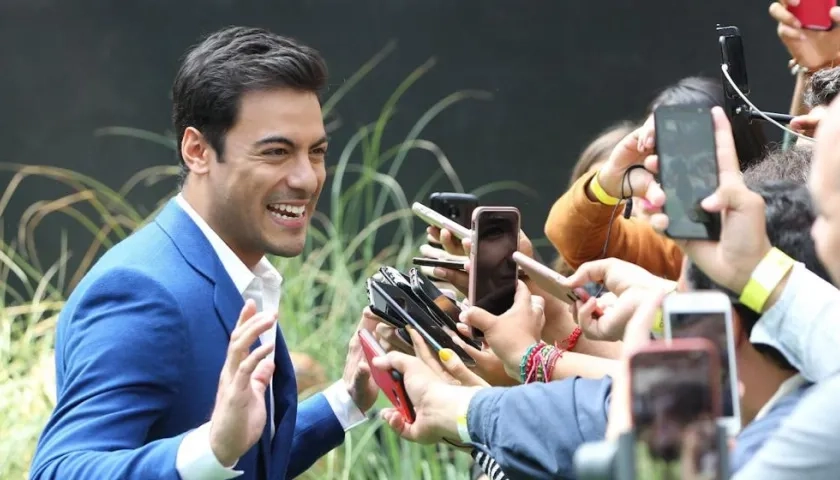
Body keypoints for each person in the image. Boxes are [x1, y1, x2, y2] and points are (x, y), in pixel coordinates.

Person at [29, 26, 377, 480]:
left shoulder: (230, 270)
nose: (307, 178)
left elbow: (248, 460)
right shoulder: (142, 292)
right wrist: (213, 446)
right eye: (276, 152)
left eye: (316, 152)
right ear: (197, 150)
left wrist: (348, 398)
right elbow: (58, 471)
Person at [544, 77, 768, 281]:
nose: (677, 170)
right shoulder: (675, 242)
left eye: (695, 149)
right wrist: (605, 186)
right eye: (664, 148)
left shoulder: (790, 216)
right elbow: (575, 241)